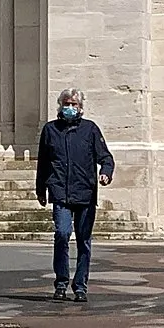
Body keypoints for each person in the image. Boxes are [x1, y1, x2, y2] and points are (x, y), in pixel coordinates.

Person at [35, 87, 113, 303]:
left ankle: (80, 286)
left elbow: (106, 158)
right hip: (60, 192)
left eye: (74, 105)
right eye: (66, 104)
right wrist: (40, 189)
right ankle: (61, 283)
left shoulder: (90, 130)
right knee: (61, 234)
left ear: (81, 107)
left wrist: (105, 174)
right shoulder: (51, 130)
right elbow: (43, 163)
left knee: (83, 241)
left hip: (85, 192)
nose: (70, 108)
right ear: (60, 106)